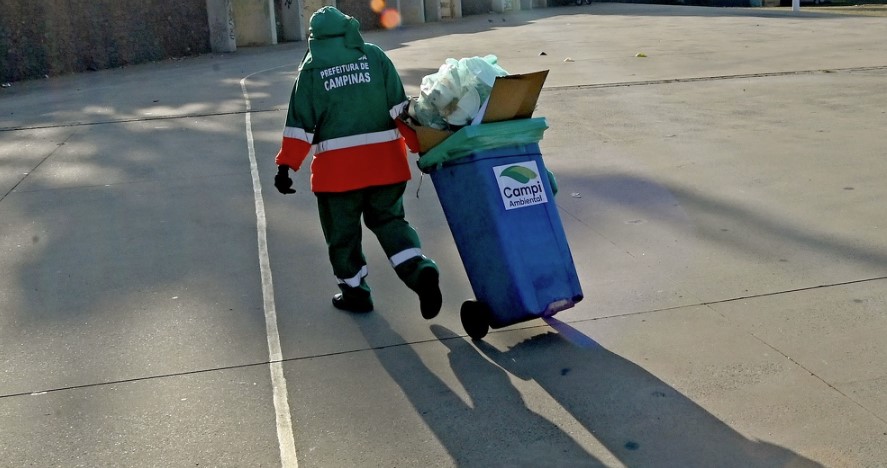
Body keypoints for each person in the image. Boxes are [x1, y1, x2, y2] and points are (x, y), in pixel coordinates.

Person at [273, 6, 441, 319]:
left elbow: (300, 123)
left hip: (338, 177)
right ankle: (419, 271)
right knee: (390, 223)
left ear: (316, 38)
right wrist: (422, 148)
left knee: (343, 237)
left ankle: (356, 294)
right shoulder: (375, 56)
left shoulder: (311, 70)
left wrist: (286, 166)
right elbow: (401, 110)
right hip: (386, 167)